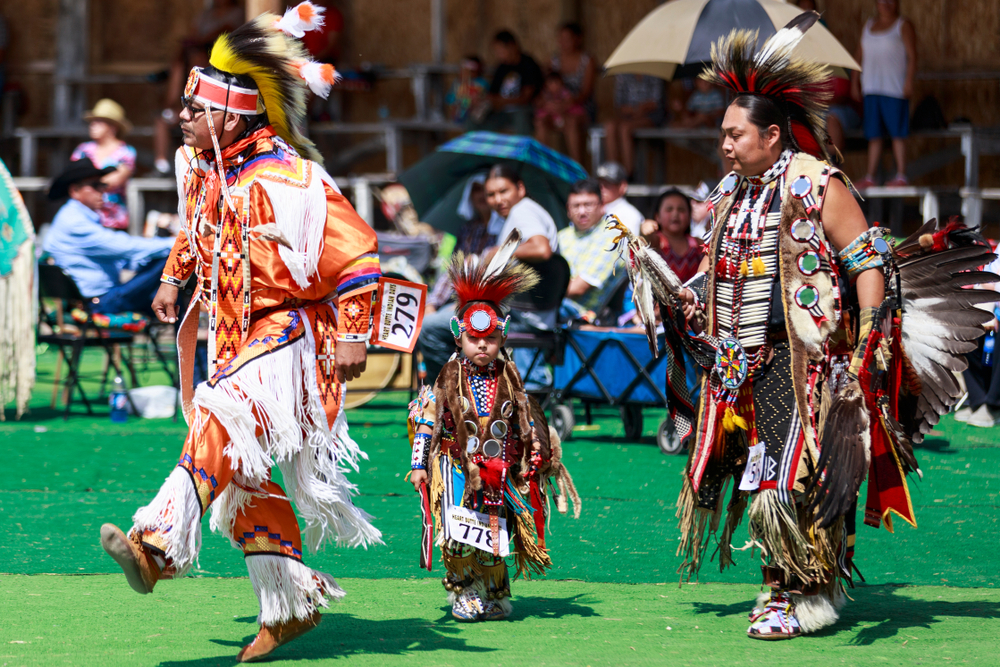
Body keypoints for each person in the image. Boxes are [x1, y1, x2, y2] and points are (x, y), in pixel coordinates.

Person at [610, 12, 992, 640]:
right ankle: (783, 582)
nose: (725, 144)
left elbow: (867, 258)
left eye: (736, 134)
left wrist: (870, 340)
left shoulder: (817, 184)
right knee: (761, 473)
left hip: (802, 360)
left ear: (773, 135)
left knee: (794, 476)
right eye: (723, 134)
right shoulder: (731, 192)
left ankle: (806, 590)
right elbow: (716, 270)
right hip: (737, 366)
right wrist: (679, 297)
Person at [97, 6, 385, 663]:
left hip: (291, 334)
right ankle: (289, 606)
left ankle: (159, 542)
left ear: (231, 117)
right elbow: (193, 228)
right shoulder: (206, 169)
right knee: (245, 479)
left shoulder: (288, 178)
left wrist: (356, 331)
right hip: (232, 335)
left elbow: (359, 251)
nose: (183, 118)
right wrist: (174, 278)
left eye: (195, 111)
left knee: (221, 418)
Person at [407, 232, 580, 621]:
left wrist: (537, 452)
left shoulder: (511, 377)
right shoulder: (448, 376)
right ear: (459, 337)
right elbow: (426, 419)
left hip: (499, 472)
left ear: (502, 336)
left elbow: (525, 418)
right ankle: (465, 591)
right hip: (454, 467)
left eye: (490, 338)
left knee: (495, 533)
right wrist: (419, 464)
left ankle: (495, 592)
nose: (482, 346)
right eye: (474, 339)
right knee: (458, 533)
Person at [42, 158, 174, 317]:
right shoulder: (73, 221)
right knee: (173, 260)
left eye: (103, 185)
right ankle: (185, 337)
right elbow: (126, 247)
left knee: (169, 267)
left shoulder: (75, 216)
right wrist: (178, 242)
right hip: (98, 303)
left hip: (96, 299)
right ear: (75, 191)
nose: (102, 191)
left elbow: (120, 258)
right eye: (95, 186)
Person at [152, 0, 244, 175]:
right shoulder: (205, 15)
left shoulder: (236, 14)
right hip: (193, 109)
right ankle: (161, 164)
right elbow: (172, 103)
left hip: (216, 54)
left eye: (198, 58)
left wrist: (201, 43)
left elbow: (226, 30)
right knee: (164, 117)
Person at [852, 0, 918, 188]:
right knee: (874, 134)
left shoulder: (902, 25)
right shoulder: (869, 26)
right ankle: (870, 176)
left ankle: (901, 175)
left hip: (894, 88)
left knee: (898, 133)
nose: (886, 3)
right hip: (871, 88)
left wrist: (909, 81)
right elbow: (859, 55)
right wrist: (855, 81)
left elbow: (913, 56)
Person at [426, 175, 501, 312]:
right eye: (477, 189)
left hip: (486, 305)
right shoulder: (468, 229)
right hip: (456, 300)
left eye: (488, 191)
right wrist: (432, 303)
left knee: (429, 328)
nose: (482, 195)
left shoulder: (504, 228)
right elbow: (454, 268)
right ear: (470, 195)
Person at [557, 178, 620, 315]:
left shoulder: (612, 238)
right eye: (576, 206)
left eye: (588, 205)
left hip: (584, 317)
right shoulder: (561, 236)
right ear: (568, 209)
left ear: (602, 205)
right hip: (556, 308)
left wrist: (538, 292)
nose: (582, 211)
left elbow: (577, 289)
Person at [71, 99, 137, 231]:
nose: (92, 125)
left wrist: (85, 185)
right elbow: (72, 178)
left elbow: (115, 181)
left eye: (98, 122)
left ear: (113, 127)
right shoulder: (83, 149)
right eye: (93, 122)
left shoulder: (126, 152)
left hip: (113, 221)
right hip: (84, 218)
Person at [535, 22, 594, 164]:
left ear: (578, 39)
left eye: (567, 38)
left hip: (580, 108)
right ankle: (543, 166)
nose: (562, 42)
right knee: (541, 122)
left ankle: (576, 169)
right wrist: (549, 104)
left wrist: (565, 105)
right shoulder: (552, 60)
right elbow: (542, 87)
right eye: (560, 38)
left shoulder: (587, 61)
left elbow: (585, 93)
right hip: (555, 108)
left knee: (571, 123)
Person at [477, 30, 543, 136]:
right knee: (474, 120)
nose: (499, 55)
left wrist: (500, 100)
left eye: (500, 51)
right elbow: (492, 94)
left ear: (512, 46)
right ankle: (474, 151)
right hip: (502, 113)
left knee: (521, 116)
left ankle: (521, 152)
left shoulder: (528, 65)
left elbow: (525, 99)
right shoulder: (501, 68)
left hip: (524, 111)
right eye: (497, 52)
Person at [603, 74, 664, 179]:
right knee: (609, 126)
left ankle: (628, 174)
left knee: (624, 128)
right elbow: (618, 104)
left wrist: (641, 109)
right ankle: (611, 173)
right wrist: (634, 110)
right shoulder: (623, 75)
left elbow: (656, 102)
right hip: (628, 116)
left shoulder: (654, 74)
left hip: (650, 116)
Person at [640, 189, 703, 284]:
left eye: (681, 209)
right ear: (657, 217)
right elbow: (647, 242)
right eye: (669, 209)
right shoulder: (658, 242)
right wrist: (644, 229)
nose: (675, 214)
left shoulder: (697, 244)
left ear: (689, 216)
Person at [596, 161, 643, 236]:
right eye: (599, 184)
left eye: (607, 184)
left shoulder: (630, 215)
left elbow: (628, 245)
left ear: (622, 186)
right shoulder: (594, 209)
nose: (602, 188)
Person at [446, 56, 489, 125]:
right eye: (463, 70)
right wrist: (455, 101)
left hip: (477, 116)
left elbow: (486, 98)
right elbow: (449, 98)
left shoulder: (482, 83)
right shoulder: (457, 83)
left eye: (469, 71)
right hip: (459, 114)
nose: (464, 73)